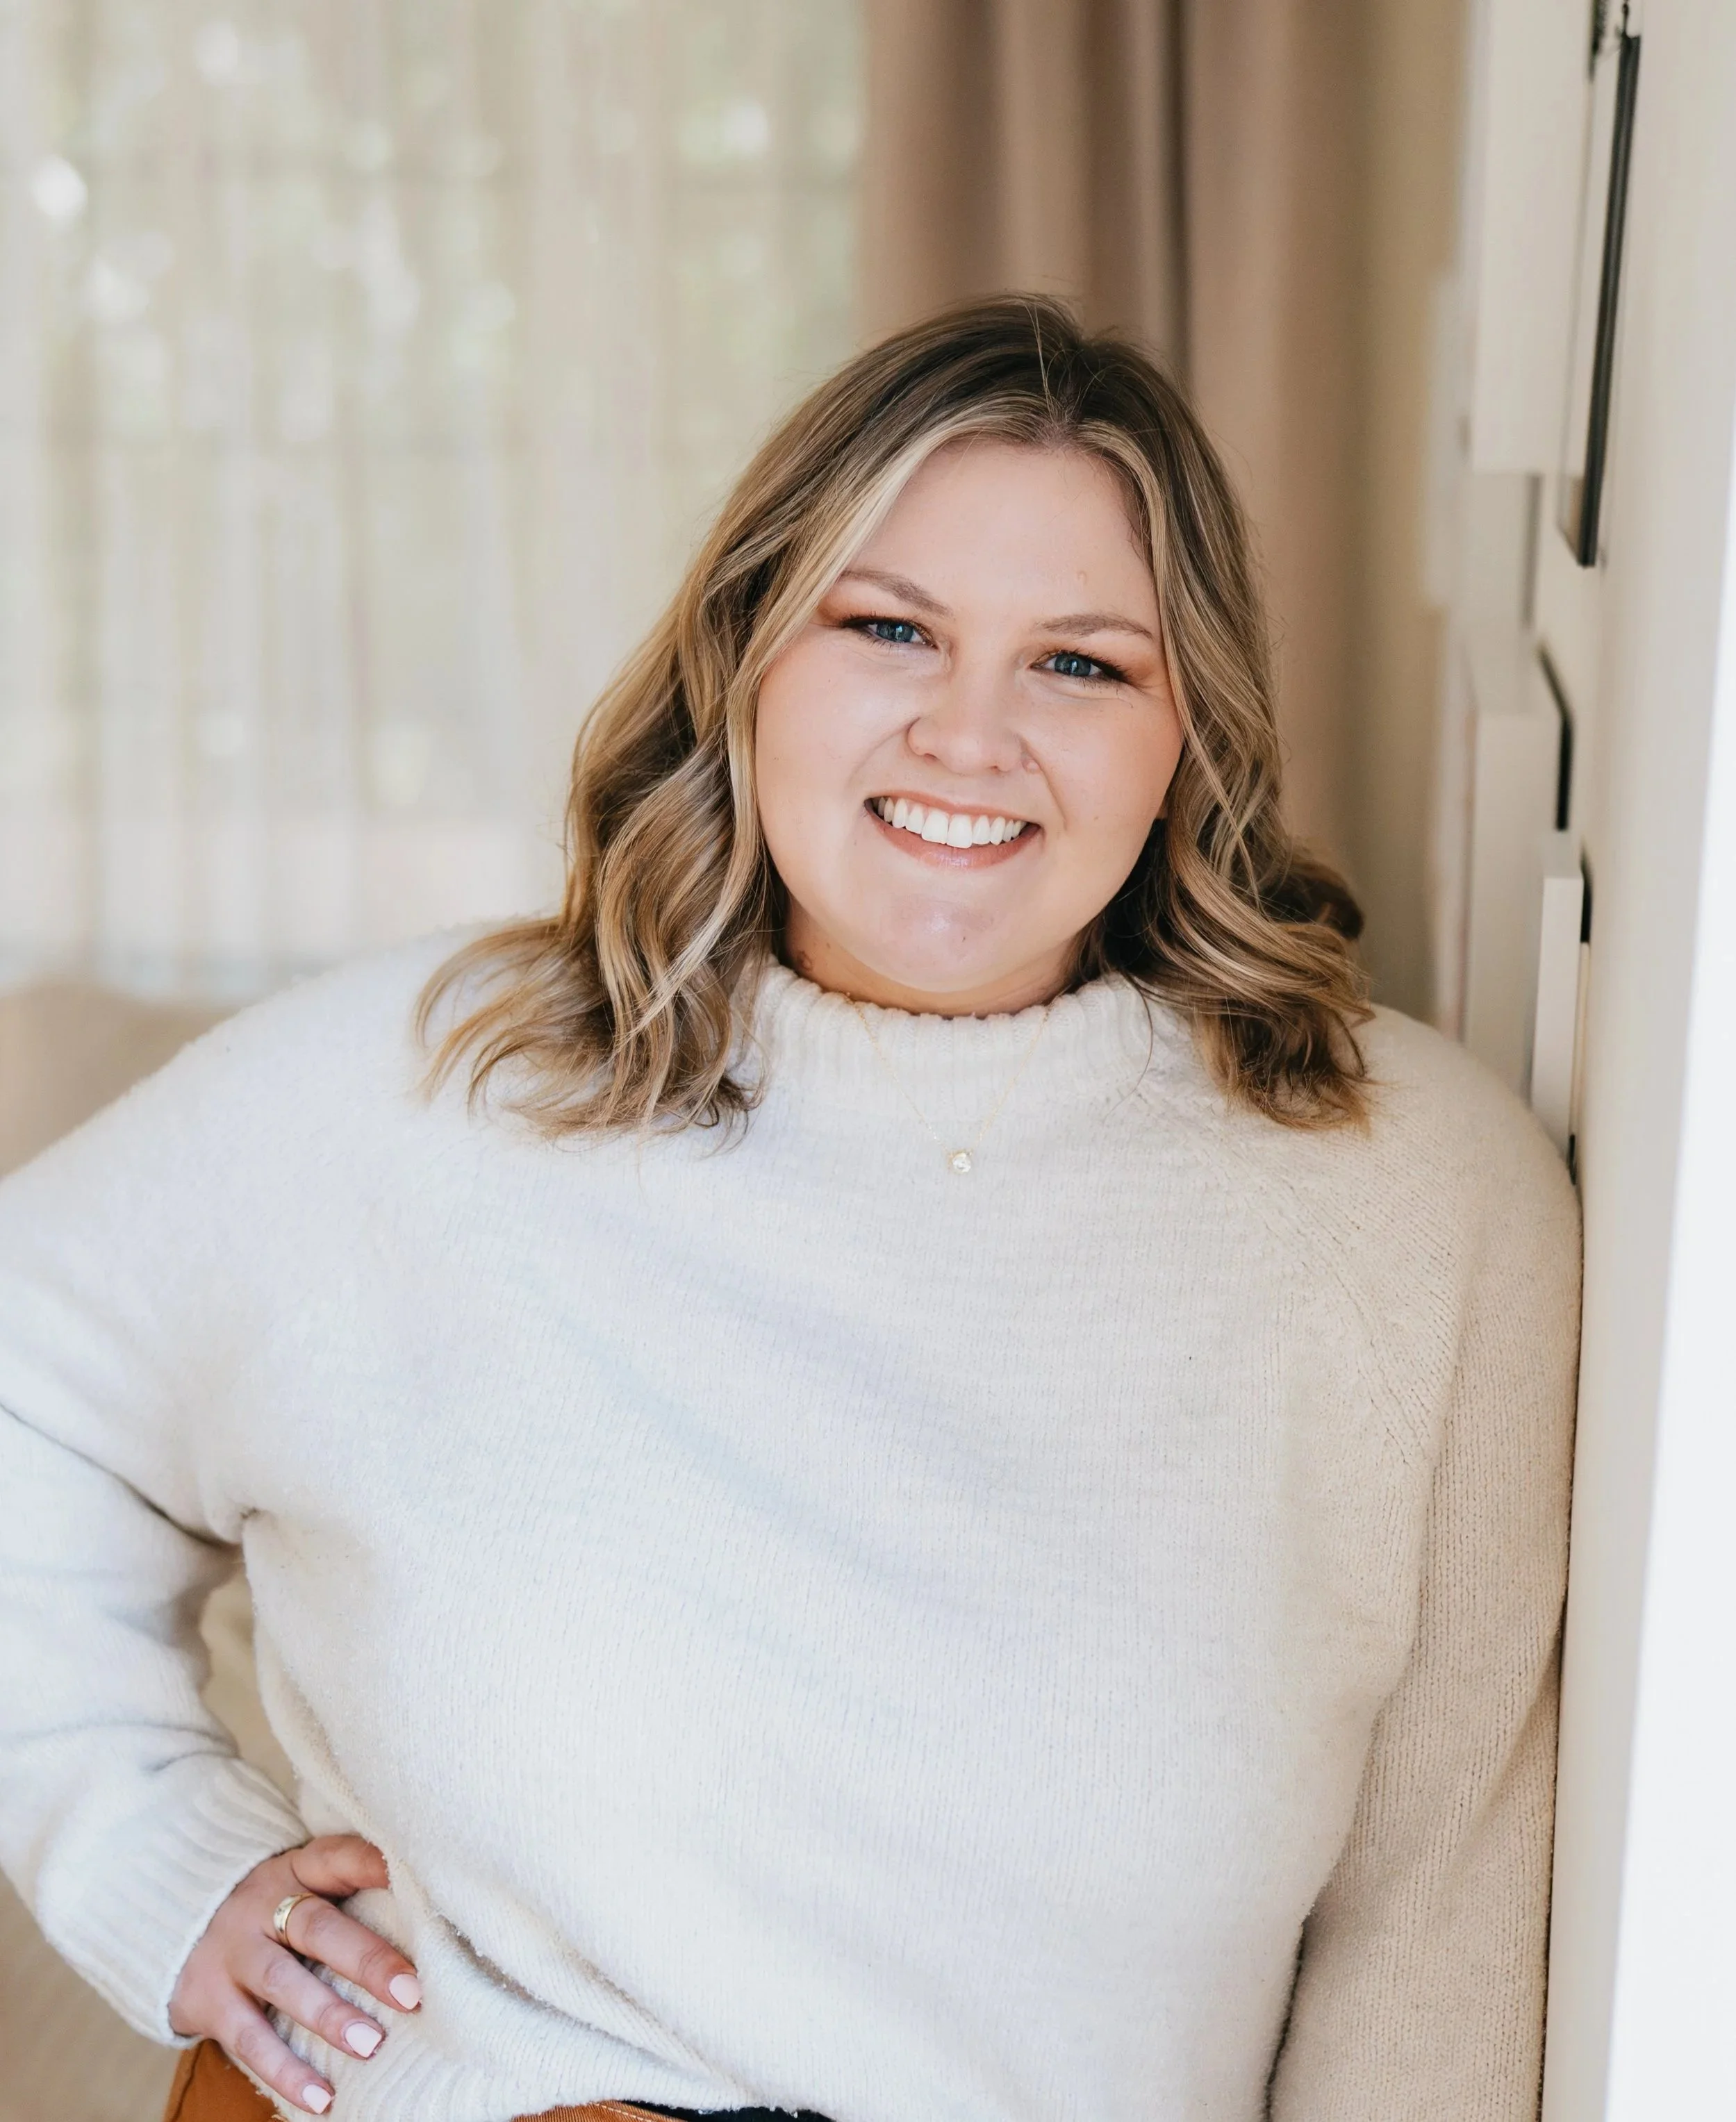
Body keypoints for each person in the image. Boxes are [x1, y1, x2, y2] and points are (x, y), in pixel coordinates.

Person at [0, 297, 1579, 2122]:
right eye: (889, 626)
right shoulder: (425, 1081)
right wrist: (142, 1847)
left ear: (1191, 735)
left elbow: (1448, 1922)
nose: (968, 733)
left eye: (1082, 663)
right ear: (748, 652)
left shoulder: (1422, 1193)